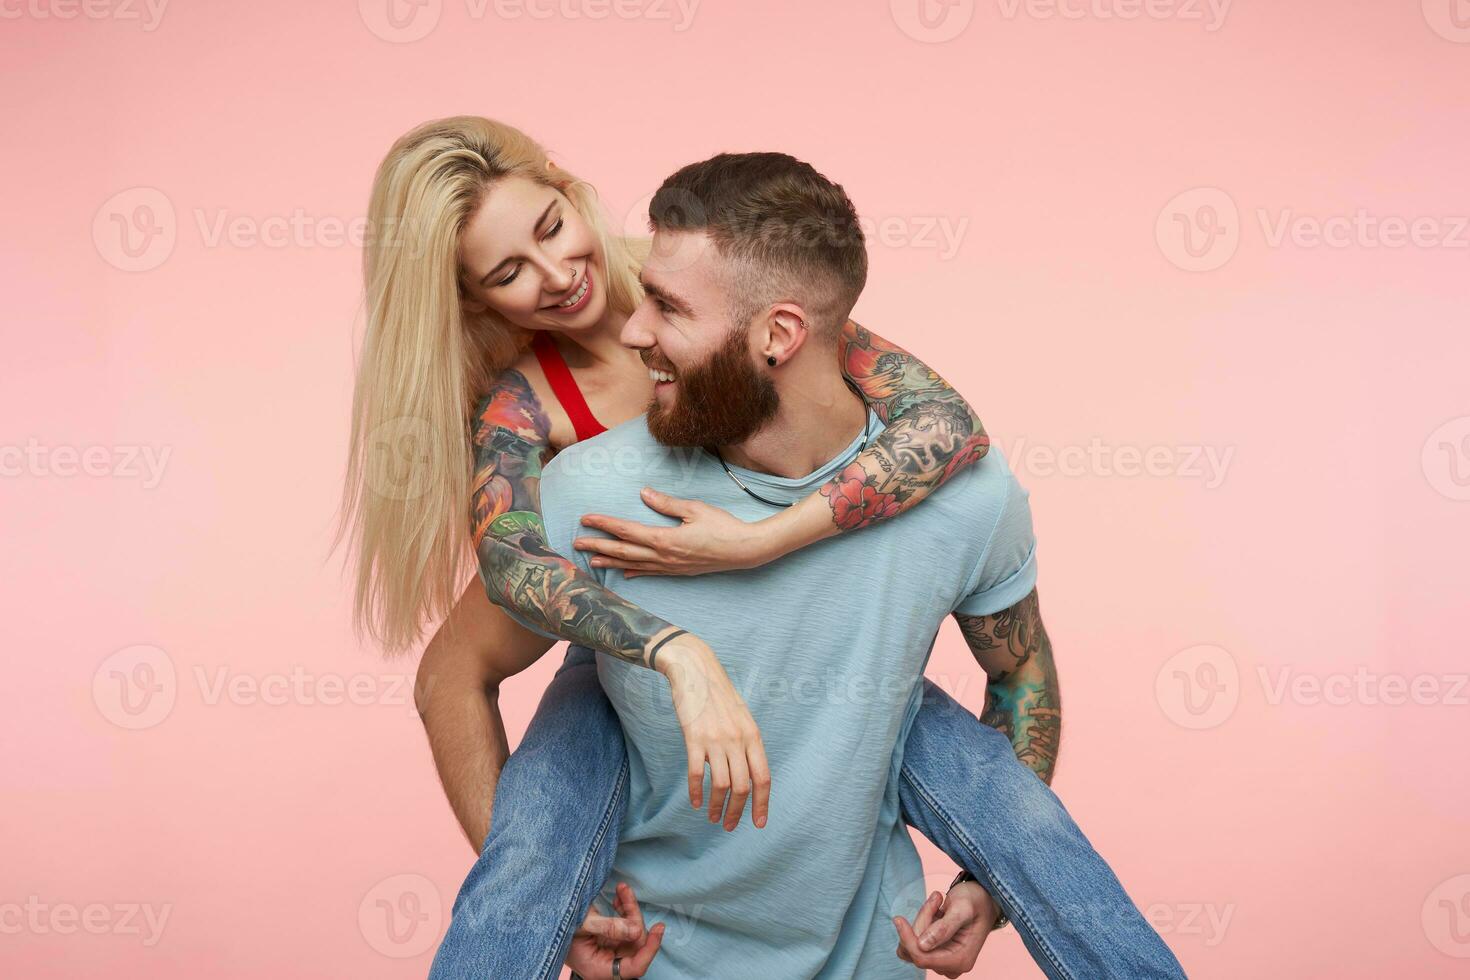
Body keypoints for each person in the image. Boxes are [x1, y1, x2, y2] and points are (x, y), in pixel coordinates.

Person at [336, 118, 1182, 978]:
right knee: (529, 854)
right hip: (620, 643)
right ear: (477, 302)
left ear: (567, 190)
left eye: (552, 231)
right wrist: (671, 649)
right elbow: (512, 576)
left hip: (826, 637)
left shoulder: (705, 271)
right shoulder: (534, 423)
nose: (558, 277)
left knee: (1014, 814)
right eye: (509, 273)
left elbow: (947, 425)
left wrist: (763, 541)